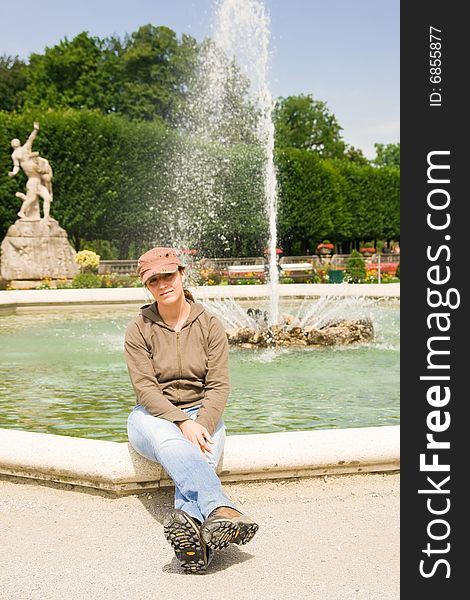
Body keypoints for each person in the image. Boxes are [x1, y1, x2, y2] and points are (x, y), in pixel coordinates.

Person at [124, 247, 259, 574]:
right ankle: (222, 508)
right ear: (147, 286)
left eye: (167, 276)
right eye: (153, 280)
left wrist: (203, 421)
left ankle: (196, 548)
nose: (162, 284)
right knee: (174, 443)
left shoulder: (210, 324)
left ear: (182, 275)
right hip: (151, 417)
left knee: (202, 453)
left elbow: (218, 386)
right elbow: (146, 389)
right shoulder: (138, 328)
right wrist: (183, 422)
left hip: (203, 413)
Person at [8, 121, 53, 220]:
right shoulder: (14, 155)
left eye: (17, 141)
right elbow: (16, 166)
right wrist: (14, 173)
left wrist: (35, 129)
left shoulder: (25, 148)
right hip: (32, 180)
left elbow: (31, 138)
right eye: (14, 141)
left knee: (47, 198)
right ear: (12, 145)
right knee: (31, 198)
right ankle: (21, 212)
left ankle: (46, 216)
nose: (16, 142)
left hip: (38, 178)